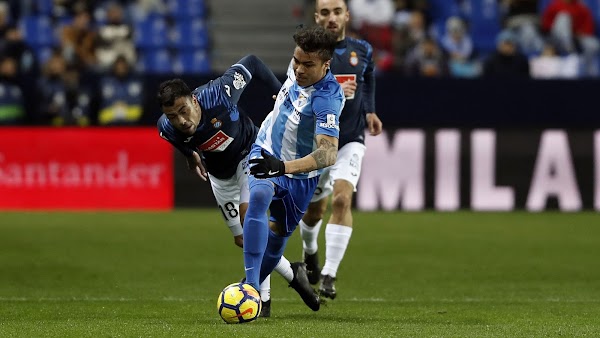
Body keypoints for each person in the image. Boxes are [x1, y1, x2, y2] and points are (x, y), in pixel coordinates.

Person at [156, 55, 298, 317]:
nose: (180, 120)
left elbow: (254, 62)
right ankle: (293, 273)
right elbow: (177, 140)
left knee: (250, 217)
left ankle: (261, 298)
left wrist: (281, 92)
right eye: (172, 116)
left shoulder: (220, 92)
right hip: (220, 176)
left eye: (183, 111)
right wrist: (190, 156)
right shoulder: (167, 128)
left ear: (194, 100)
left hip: (249, 153)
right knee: (243, 239)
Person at [242, 25, 345, 312]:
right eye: (296, 61)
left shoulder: (327, 98)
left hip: (299, 175)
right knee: (259, 199)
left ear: (326, 65)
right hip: (265, 150)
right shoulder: (298, 64)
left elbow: (328, 154)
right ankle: (250, 291)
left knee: (277, 241)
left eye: (307, 65)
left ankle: (288, 275)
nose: (298, 69)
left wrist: (283, 167)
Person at [297, 0, 384, 300]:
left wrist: (370, 110)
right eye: (325, 12)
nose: (331, 18)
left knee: (343, 200)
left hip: (349, 139)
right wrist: (332, 88)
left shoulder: (363, 50)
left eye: (337, 12)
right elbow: (294, 96)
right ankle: (310, 252)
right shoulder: (306, 55)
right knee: (313, 212)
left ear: (346, 15)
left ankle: (329, 275)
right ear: (316, 17)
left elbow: (369, 77)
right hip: (318, 144)